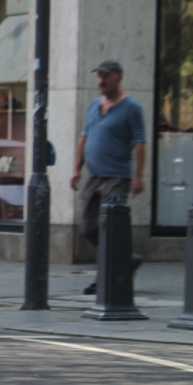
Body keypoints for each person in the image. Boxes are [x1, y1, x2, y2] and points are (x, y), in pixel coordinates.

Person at [70, 59, 146, 295]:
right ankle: (127, 260)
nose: (101, 81)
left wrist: (138, 176)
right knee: (88, 226)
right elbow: (84, 138)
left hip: (116, 177)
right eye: (99, 76)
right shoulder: (94, 106)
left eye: (106, 76)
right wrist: (76, 169)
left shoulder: (131, 108)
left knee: (109, 228)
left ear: (119, 77)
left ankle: (105, 277)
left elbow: (139, 143)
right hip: (94, 176)